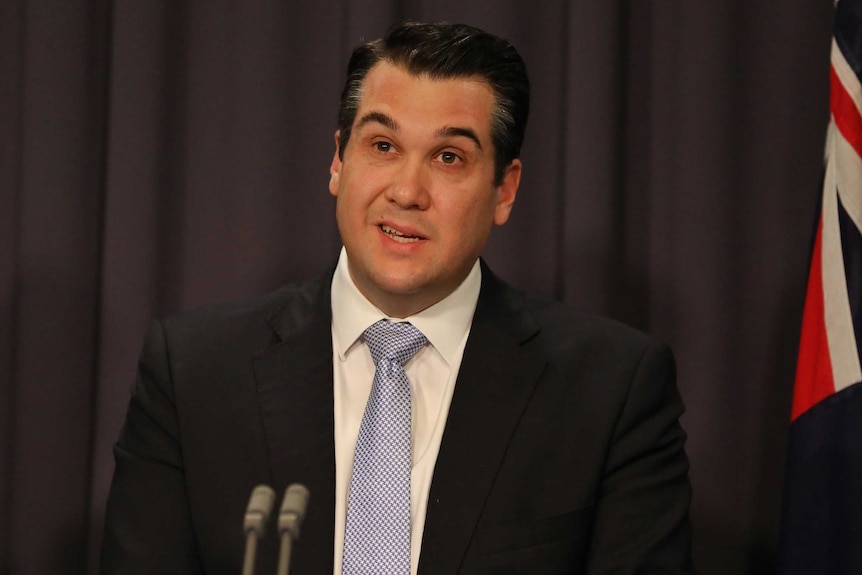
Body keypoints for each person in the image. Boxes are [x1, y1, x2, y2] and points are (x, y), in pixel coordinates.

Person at [101, 21, 694, 575]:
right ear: (338, 161)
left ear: (504, 190)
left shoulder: (610, 390)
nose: (407, 192)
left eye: (449, 157)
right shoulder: (194, 371)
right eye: (382, 146)